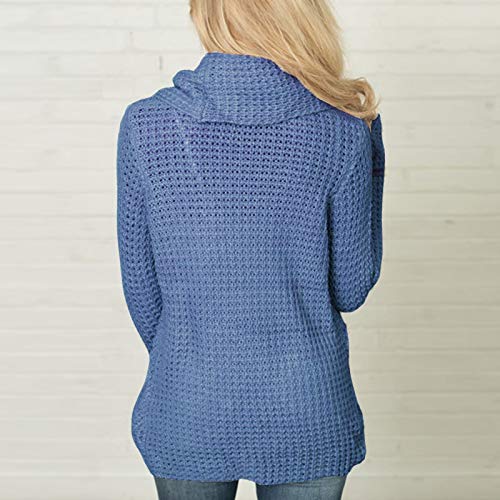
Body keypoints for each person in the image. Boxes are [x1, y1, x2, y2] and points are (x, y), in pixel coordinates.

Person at [116, 0, 385, 498]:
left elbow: (142, 290)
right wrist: (372, 159)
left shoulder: (146, 125)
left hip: (189, 400)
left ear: (211, 17)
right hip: (306, 405)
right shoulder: (342, 128)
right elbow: (350, 288)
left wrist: (196, 359)